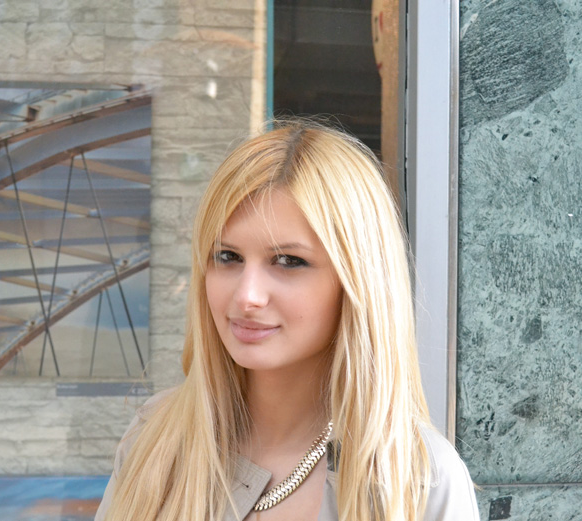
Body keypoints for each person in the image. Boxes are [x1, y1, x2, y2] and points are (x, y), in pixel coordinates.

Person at [95, 120, 479, 521]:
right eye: (228, 256)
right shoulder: (155, 441)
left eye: (289, 261)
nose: (247, 295)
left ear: (358, 281)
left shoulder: (419, 482)